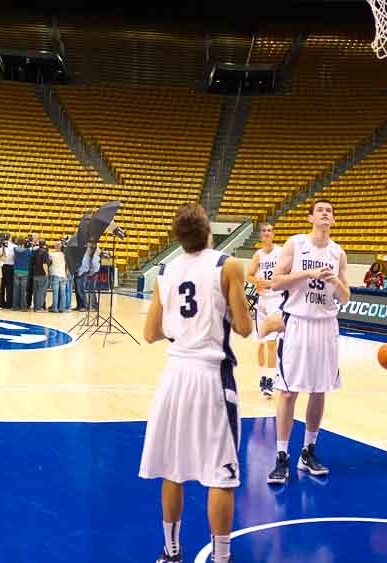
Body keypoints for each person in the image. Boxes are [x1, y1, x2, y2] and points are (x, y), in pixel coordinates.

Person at [140, 203, 252, 563]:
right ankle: (221, 558)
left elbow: (150, 333)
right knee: (221, 475)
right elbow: (245, 328)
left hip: (173, 377)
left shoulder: (164, 271)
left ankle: (171, 553)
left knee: (173, 470)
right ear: (208, 232)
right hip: (210, 377)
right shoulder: (227, 265)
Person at [264, 199, 349, 485]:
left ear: (333, 220)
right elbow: (275, 283)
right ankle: (281, 456)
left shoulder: (338, 253)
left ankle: (308, 451)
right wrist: (308, 273)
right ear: (311, 217)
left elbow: (346, 297)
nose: (326, 213)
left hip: (326, 325)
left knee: (319, 389)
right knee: (288, 392)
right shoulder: (295, 244)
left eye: (330, 211)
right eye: (321, 210)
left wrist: (336, 282)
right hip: (297, 323)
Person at [248, 223, 282, 400]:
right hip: (262, 301)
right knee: (260, 344)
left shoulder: (281, 252)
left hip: (276, 300)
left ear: (273, 234)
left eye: (270, 230)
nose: (267, 233)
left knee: (270, 343)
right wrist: (256, 282)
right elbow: (249, 275)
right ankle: (264, 377)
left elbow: (287, 274)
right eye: (264, 231)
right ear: (261, 235)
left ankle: (269, 381)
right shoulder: (258, 255)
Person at [49, 239, 71, 313]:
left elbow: (48, 260)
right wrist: (66, 274)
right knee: (63, 293)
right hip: (63, 275)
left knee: (55, 293)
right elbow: (67, 266)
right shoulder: (65, 255)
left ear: (55, 246)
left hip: (55, 275)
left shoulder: (52, 254)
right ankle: (62, 308)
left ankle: (55, 308)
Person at [31, 239, 51, 311]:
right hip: (42, 274)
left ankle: (35, 307)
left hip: (35, 274)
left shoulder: (35, 251)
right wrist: (47, 274)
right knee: (41, 292)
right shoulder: (45, 252)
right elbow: (45, 264)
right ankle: (39, 308)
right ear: (45, 244)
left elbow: (32, 262)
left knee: (35, 292)